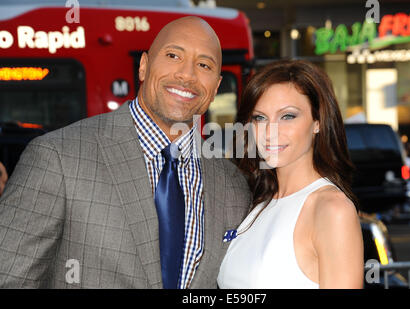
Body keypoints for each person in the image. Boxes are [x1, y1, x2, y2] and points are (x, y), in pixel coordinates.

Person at [0, 16, 251, 288]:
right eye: (173, 55)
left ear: (215, 87)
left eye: (204, 65)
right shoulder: (57, 157)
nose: (187, 74)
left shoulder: (234, 186)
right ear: (144, 67)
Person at [218, 60, 364, 289]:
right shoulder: (257, 204)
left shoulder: (332, 209)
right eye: (260, 118)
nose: (270, 132)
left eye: (287, 116)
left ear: (317, 122)